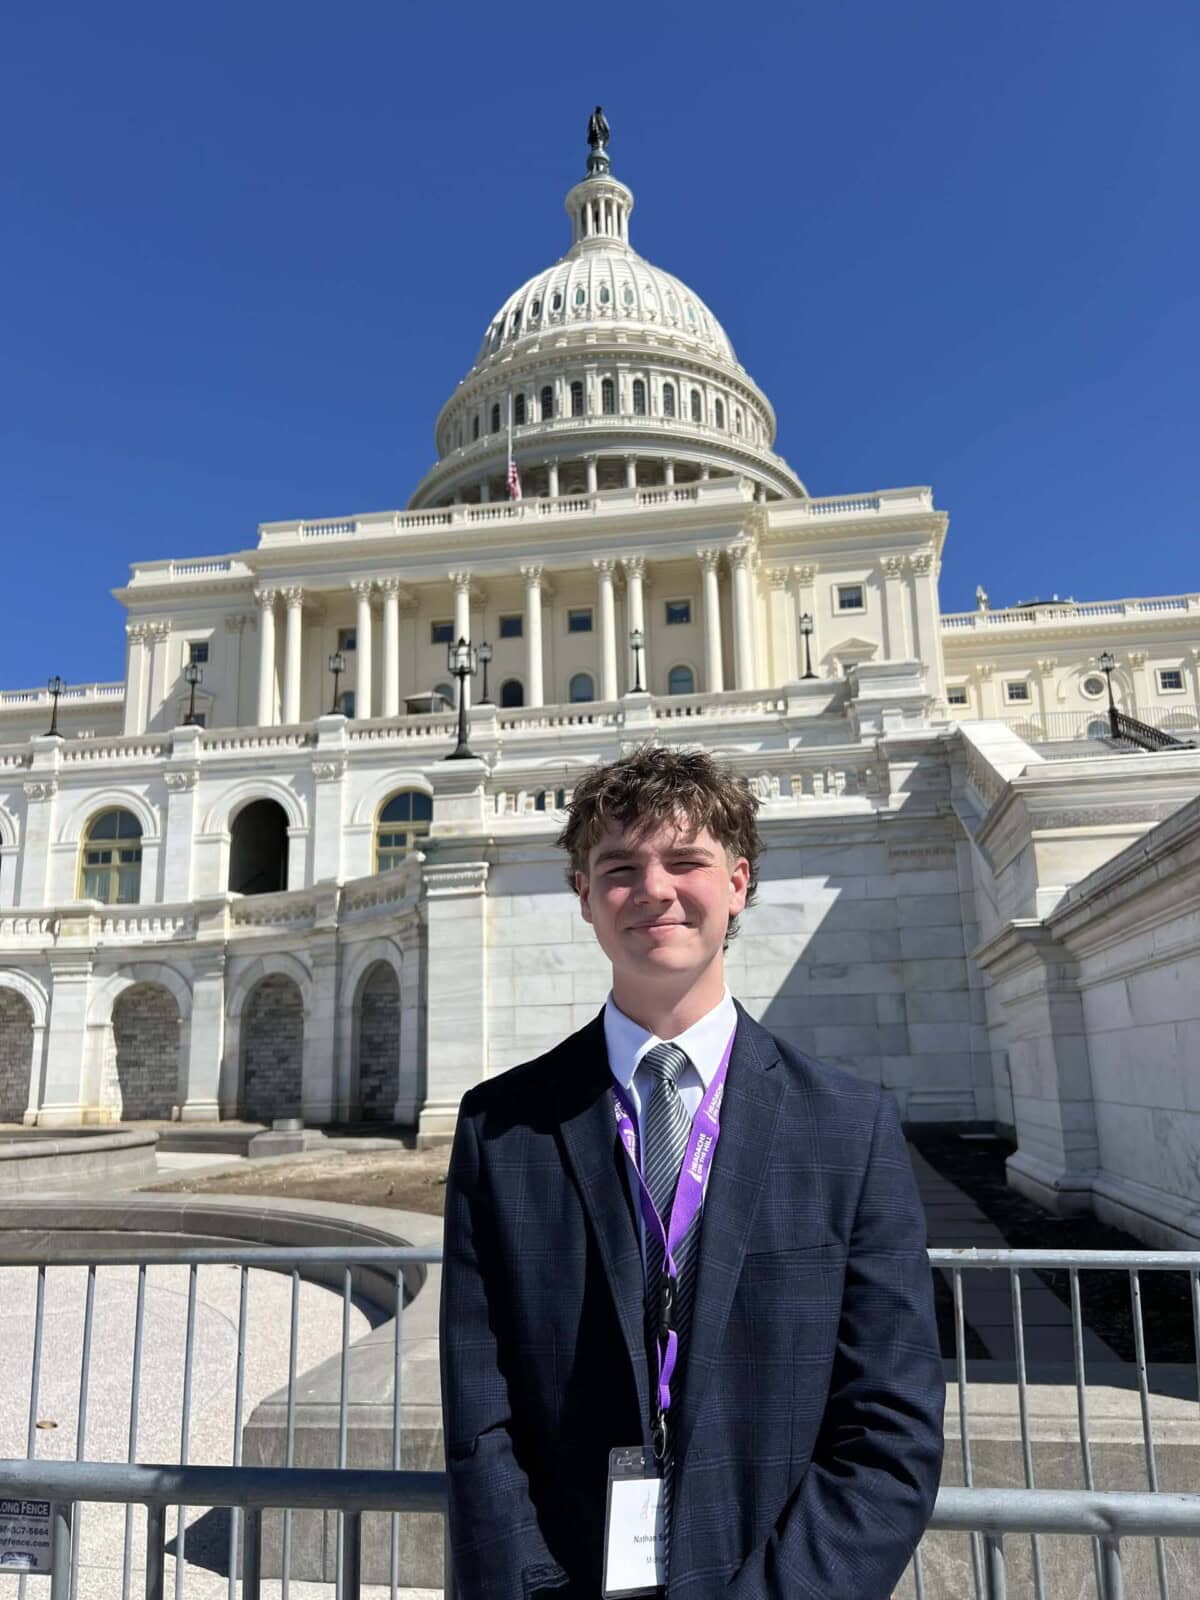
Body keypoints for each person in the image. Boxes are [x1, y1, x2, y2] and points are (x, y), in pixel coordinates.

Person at [440, 746, 944, 1597]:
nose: (655, 889)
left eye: (686, 861)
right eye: (620, 867)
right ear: (584, 895)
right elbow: (477, 1415)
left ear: (739, 882)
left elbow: (890, 1425)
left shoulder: (848, 1126)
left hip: (769, 1571)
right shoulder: (501, 1126)